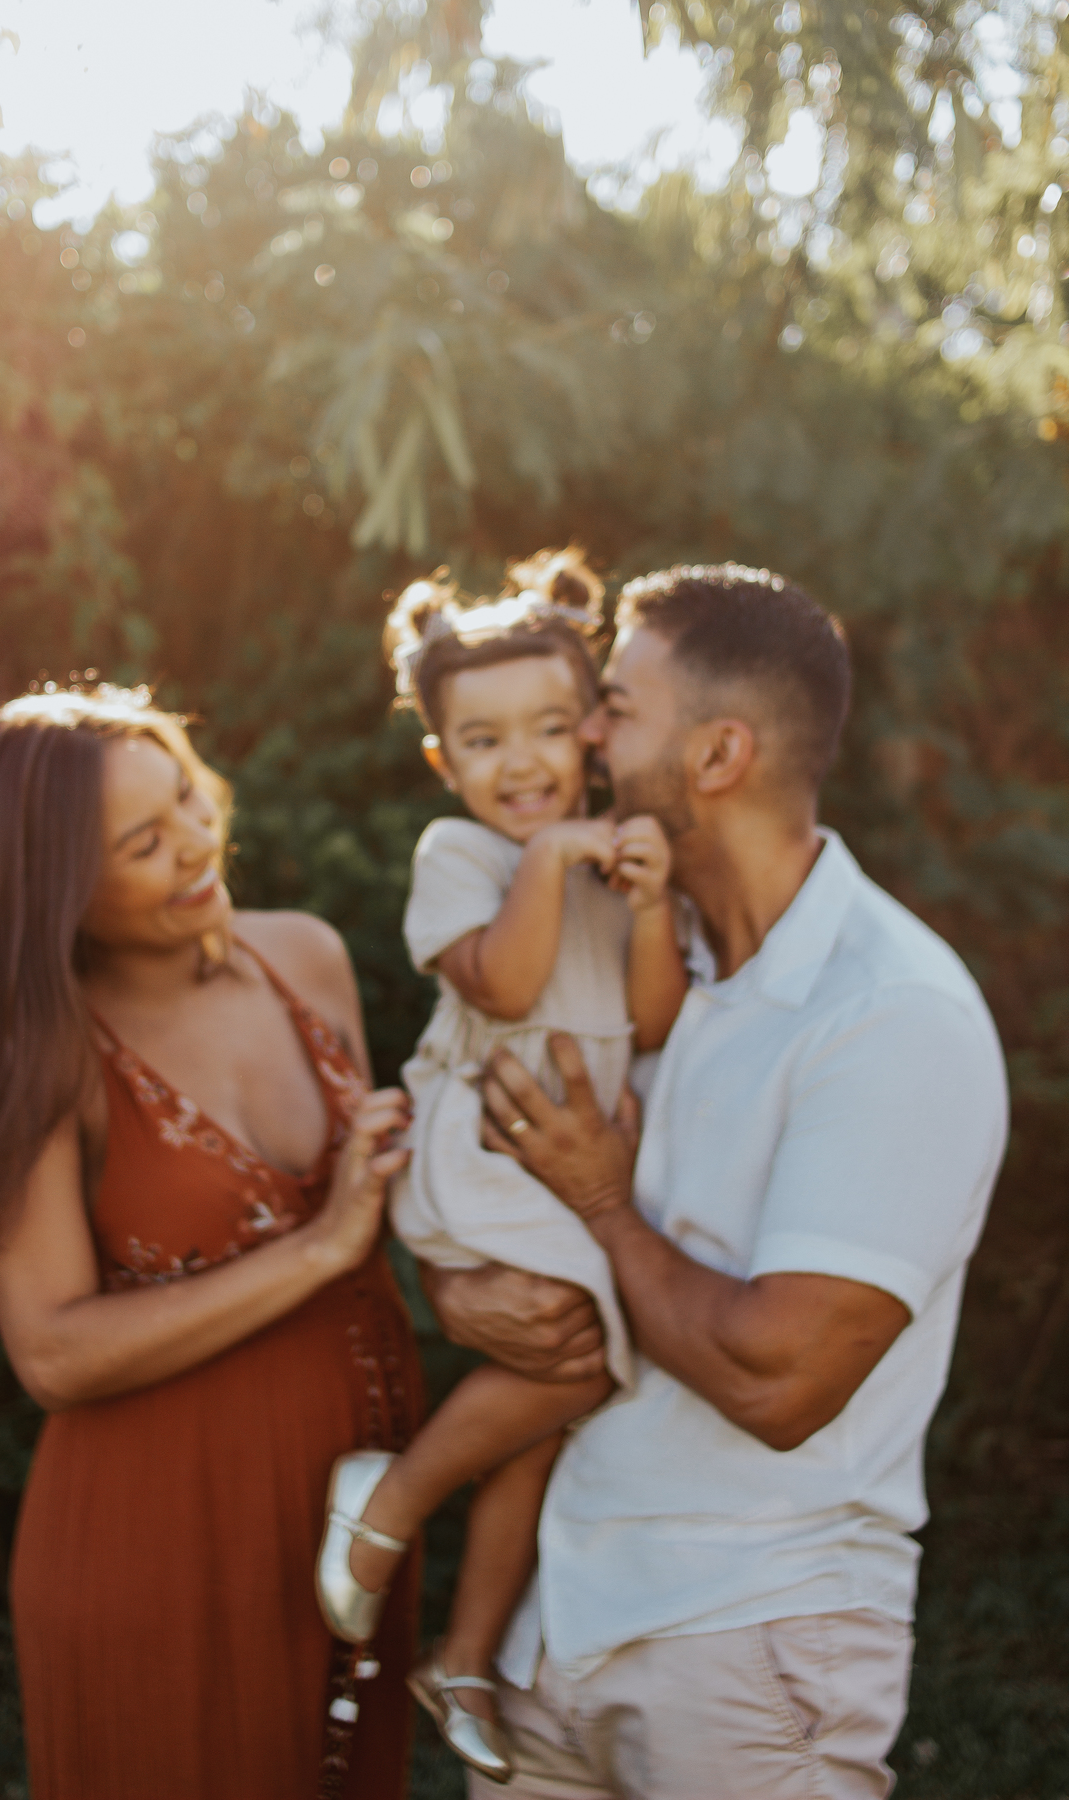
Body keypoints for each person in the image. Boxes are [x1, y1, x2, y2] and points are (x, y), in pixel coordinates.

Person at [424, 563, 1009, 1800]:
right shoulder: (634, 951)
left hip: (749, 1637)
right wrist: (464, 1291)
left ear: (719, 753)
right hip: (554, 1628)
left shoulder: (892, 1013)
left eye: (615, 707)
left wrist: (601, 1208)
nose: (584, 734)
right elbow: (497, 1194)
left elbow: (778, 1379)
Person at [0, 684, 425, 1800]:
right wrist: (319, 1248)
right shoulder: (48, 1054)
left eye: (189, 801)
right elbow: (50, 1353)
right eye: (143, 843)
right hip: (161, 1542)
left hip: (353, 1512)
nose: (197, 844)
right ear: (59, 891)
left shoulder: (307, 957)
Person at [314, 551, 686, 1781]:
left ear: (591, 732)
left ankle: (464, 1655)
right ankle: (391, 1500)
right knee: (581, 1353)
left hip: (558, 1168)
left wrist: (647, 907)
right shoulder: (464, 856)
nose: (520, 763)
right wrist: (550, 859)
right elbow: (507, 984)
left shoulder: (613, 860)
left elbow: (653, 1021)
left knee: (549, 1404)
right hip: (479, 1154)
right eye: (483, 741)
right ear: (444, 761)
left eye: (546, 729)